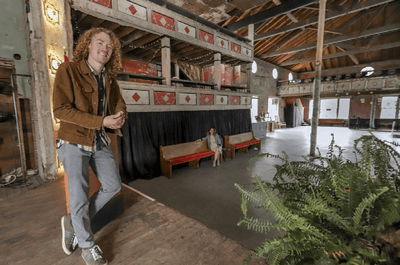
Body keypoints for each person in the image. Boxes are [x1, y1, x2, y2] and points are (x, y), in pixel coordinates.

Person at [53, 27, 127, 265]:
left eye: (109, 46)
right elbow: (61, 110)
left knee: (113, 185)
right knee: (79, 195)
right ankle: (87, 247)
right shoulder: (69, 70)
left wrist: (120, 113)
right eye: (100, 42)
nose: (105, 48)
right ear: (87, 45)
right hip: (73, 139)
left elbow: (118, 101)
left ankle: (73, 222)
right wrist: (101, 121)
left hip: (99, 139)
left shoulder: (109, 77)